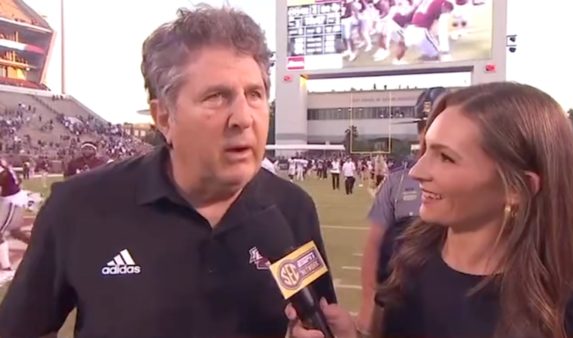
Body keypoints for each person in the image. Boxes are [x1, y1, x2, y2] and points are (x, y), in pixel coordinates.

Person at [0, 6, 336, 338]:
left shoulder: (293, 209)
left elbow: (318, 320)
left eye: (255, 94)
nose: (243, 118)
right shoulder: (78, 206)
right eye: (216, 96)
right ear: (164, 118)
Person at [287, 82, 573, 338]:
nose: (417, 171)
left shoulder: (571, 318)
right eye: (426, 150)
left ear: (516, 188)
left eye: (446, 158)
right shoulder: (405, 252)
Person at [355, 86, 448, 333]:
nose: (425, 133)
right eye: (422, 125)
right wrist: (367, 303)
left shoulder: (462, 181)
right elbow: (374, 245)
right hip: (400, 302)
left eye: (434, 124)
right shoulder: (397, 182)